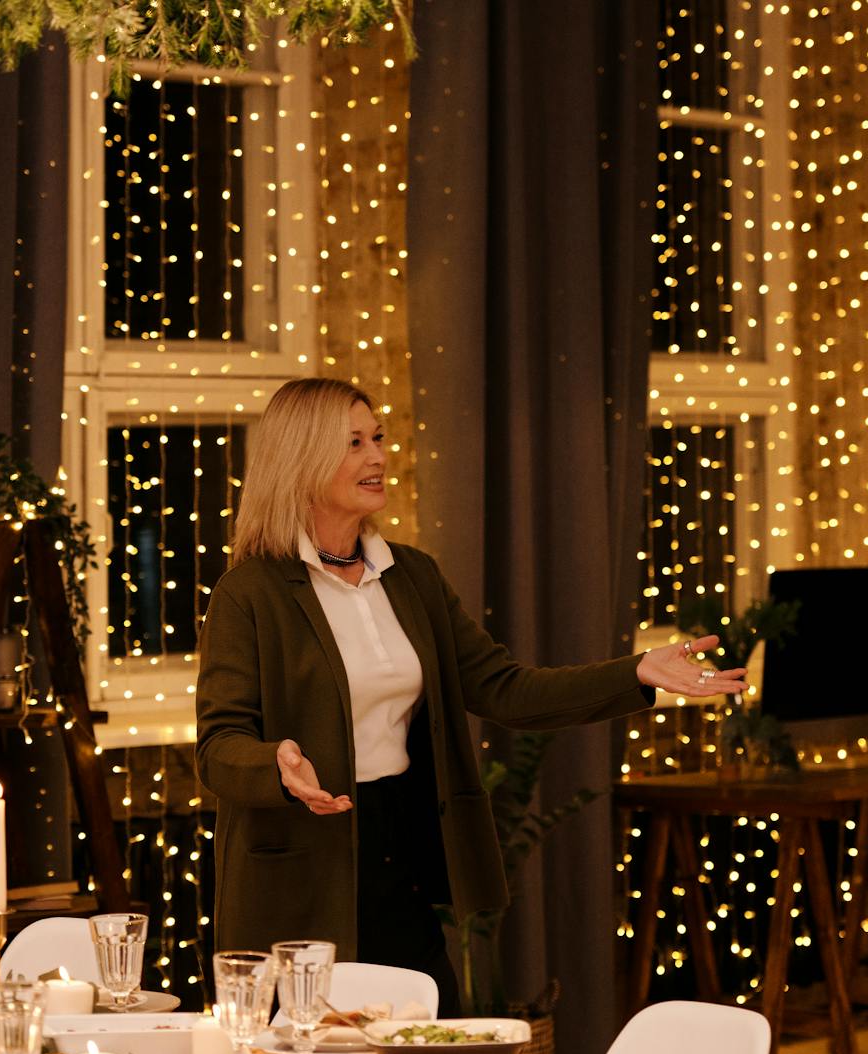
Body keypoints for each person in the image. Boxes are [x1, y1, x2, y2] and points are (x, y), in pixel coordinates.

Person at [195, 377, 747, 1008]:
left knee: (428, 1044)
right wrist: (276, 765)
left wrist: (637, 672)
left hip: (400, 850)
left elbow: (506, 688)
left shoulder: (412, 576)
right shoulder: (250, 594)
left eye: (377, 438)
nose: (377, 456)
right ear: (302, 458)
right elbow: (218, 745)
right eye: (353, 443)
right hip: (301, 869)